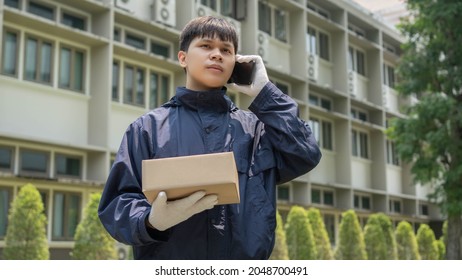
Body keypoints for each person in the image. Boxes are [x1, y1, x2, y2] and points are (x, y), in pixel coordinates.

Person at [98, 16, 321, 260]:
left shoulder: (257, 131)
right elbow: (116, 204)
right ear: (183, 57)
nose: (217, 54)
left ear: (234, 64)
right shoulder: (147, 129)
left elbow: (305, 153)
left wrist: (265, 92)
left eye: (226, 50)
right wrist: (149, 220)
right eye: (206, 46)